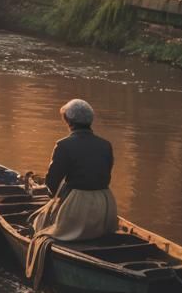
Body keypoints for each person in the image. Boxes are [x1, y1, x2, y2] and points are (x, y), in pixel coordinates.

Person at [28, 99, 117, 243]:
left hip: (77, 206)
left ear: (68, 121)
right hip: (105, 205)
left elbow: (52, 183)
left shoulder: (63, 145)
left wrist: (54, 199)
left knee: (37, 223)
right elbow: (105, 175)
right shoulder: (106, 145)